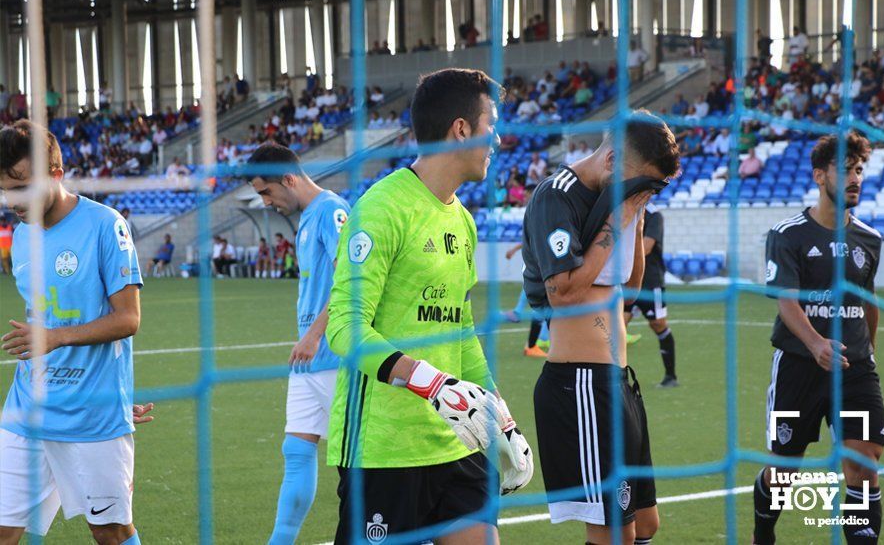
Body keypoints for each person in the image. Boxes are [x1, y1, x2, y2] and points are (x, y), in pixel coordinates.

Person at [325, 68, 533, 544]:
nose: (496, 139)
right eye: (490, 125)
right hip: (383, 452)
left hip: (455, 445)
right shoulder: (381, 209)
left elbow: (460, 329)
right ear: (460, 129)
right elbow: (345, 327)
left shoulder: (463, 220)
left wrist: (498, 410)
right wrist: (429, 381)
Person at [522, 110, 680, 544]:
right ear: (611, 160)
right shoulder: (558, 196)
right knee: (615, 532)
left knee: (646, 525)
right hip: (581, 387)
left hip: (617, 383)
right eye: (641, 183)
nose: (642, 193)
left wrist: (637, 218)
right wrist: (619, 218)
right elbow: (565, 292)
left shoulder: (625, 205)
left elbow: (628, 293)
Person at [0, 120, 144, 544]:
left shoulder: (105, 225)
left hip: (92, 414)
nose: (14, 200)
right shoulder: (21, 236)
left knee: (111, 532)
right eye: (6, 189)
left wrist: (57, 339)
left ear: (57, 175)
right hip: (27, 409)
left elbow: (128, 318)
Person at [753, 133, 884, 545]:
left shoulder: (868, 239)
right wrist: (816, 344)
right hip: (798, 367)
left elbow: (868, 301)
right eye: (845, 170)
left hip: (854, 370)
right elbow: (786, 301)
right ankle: (763, 534)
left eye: (860, 170)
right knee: (784, 470)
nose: (855, 178)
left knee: (864, 461)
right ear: (818, 175)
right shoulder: (787, 234)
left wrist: (868, 352)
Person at [244, 143, 350, 544]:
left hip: (336, 356)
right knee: (297, 451)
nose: (267, 202)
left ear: (288, 179)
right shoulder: (306, 219)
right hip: (307, 358)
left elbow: (349, 280)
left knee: (352, 464)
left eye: (267, 193)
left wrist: (315, 333)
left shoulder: (332, 211)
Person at [623, 204, 678, 387]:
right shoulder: (622, 210)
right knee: (616, 328)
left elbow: (645, 247)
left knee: (659, 325)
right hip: (627, 283)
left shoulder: (654, 216)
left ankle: (670, 377)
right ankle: (617, 379)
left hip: (650, 282)